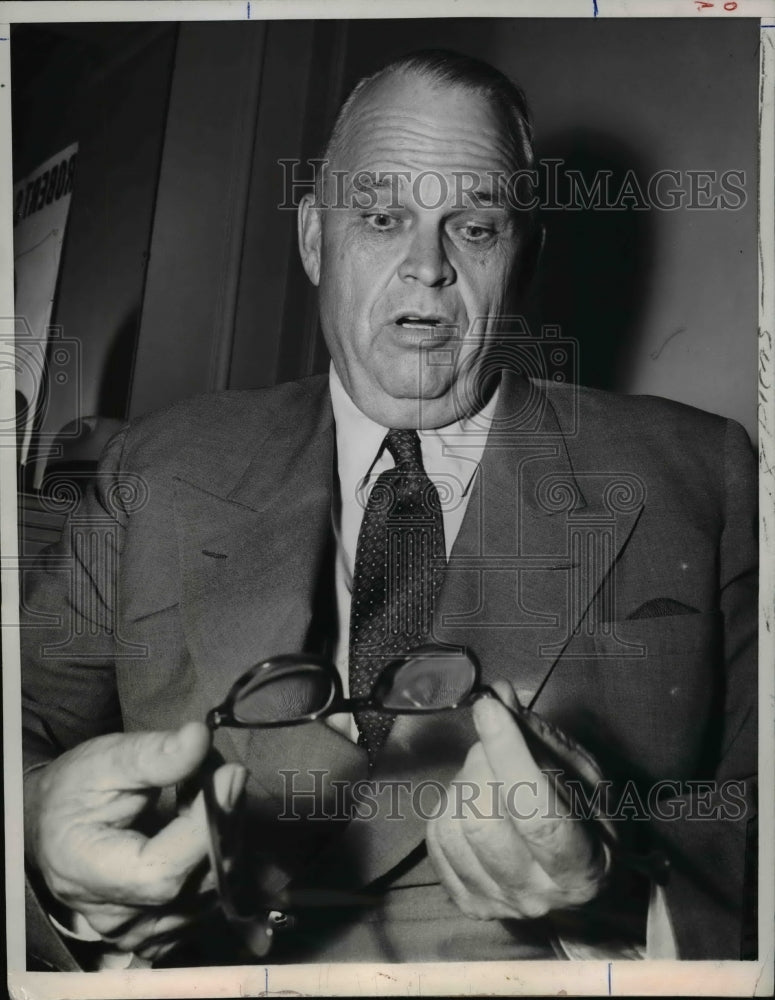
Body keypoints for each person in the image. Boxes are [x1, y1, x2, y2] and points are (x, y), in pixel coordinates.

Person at [20, 49, 757, 969]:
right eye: (380, 218)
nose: (427, 268)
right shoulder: (155, 464)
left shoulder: (703, 472)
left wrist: (621, 891)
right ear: (314, 240)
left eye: (476, 226)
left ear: (523, 253)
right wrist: (39, 839)